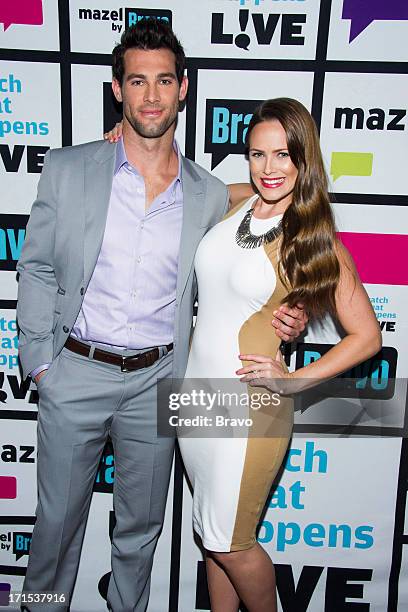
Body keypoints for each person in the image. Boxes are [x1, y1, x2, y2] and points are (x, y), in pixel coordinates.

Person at [16, 20, 305, 612]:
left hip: (159, 382)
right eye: (138, 81)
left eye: (164, 81)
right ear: (117, 89)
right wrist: (41, 364)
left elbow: (279, 208)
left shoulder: (205, 192)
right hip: (75, 373)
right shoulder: (69, 168)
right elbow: (38, 268)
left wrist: (291, 311)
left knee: (139, 536)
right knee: (53, 536)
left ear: (184, 89)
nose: (152, 95)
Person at [177, 98, 382, 612]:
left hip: (250, 410)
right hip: (195, 401)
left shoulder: (312, 236)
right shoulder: (241, 201)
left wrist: (292, 381)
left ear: (304, 158)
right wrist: (126, 139)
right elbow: (175, 179)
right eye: (257, 155)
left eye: (284, 155)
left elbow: (367, 336)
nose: (270, 169)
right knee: (212, 536)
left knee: (233, 542)